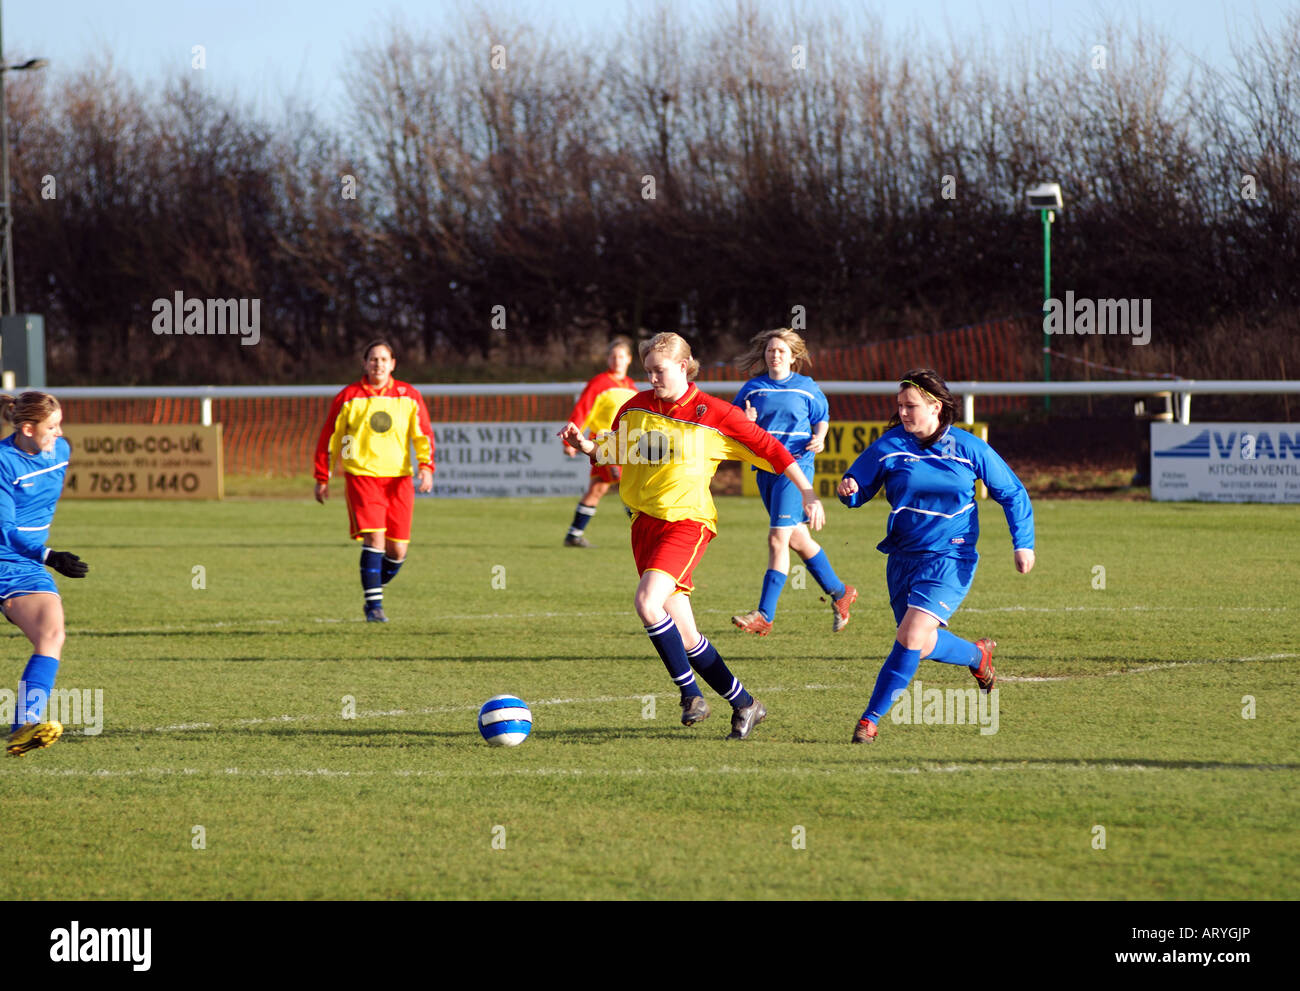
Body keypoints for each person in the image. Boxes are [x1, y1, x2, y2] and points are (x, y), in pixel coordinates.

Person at [562, 332, 826, 740]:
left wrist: (807, 491)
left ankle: (690, 696)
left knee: (648, 604)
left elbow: (772, 449)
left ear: (684, 366)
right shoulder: (635, 408)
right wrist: (586, 446)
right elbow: (616, 449)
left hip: (687, 523)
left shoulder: (715, 413)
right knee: (686, 635)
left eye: (659, 371)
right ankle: (746, 704)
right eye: (647, 371)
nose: (652, 378)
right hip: (643, 525)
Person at [836, 369, 1035, 743]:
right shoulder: (889, 445)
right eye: (900, 406)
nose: (904, 413)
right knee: (920, 643)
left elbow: (1013, 493)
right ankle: (978, 658)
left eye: (911, 406)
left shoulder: (969, 447)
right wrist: (848, 489)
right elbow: (857, 488)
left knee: (911, 636)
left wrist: (1022, 543)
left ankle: (869, 720)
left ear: (936, 407)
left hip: (950, 556)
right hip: (902, 558)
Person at [730, 328, 857, 635]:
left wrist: (821, 438)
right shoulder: (753, 388)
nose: (775, 355)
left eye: (782, 351)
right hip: (765, 470)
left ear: (793, 356)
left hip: (796, 467)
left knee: (777, 538)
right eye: (771, 350)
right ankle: (841, 593)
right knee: (797, 539)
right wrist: (744, 421)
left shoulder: (805, 387)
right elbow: (733, 421)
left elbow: (821, 416)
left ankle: (764, 615)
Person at [313, 340, 435, 623]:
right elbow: (331, 437)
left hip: (399, 481)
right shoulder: (349, 396)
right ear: (364, 363)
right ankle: (374, 608)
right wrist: (323, 475)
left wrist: (426, 467)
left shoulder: (409, 396)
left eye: (383, 359)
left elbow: (423, 434)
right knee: (375, 539)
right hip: (362, 477)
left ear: (393, 364)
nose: (378, 364)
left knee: (397, 550)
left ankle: (372, 588)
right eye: (373, 359)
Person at [2, 392, 90, 756]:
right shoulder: (3, 463)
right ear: (26, 428)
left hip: (25, 563)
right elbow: (4, 530)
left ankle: (24, 725)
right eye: (52, 427)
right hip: (9, 555)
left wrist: (41, 555)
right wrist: (50, 555)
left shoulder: (60, 450)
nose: (60, 433)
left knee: (52, 634)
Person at [560, 336, 638, 547]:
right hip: (604, 444)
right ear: (607, 359)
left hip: (625, 445)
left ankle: (574, 535)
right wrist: (569, 441)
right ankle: (646, 534)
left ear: (629, 359)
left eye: (621, 356)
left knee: (598, 489)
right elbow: (583, 409)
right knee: (627, 487)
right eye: (613, 356)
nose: (617, 360)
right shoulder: (600, 383)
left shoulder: (630, 386)